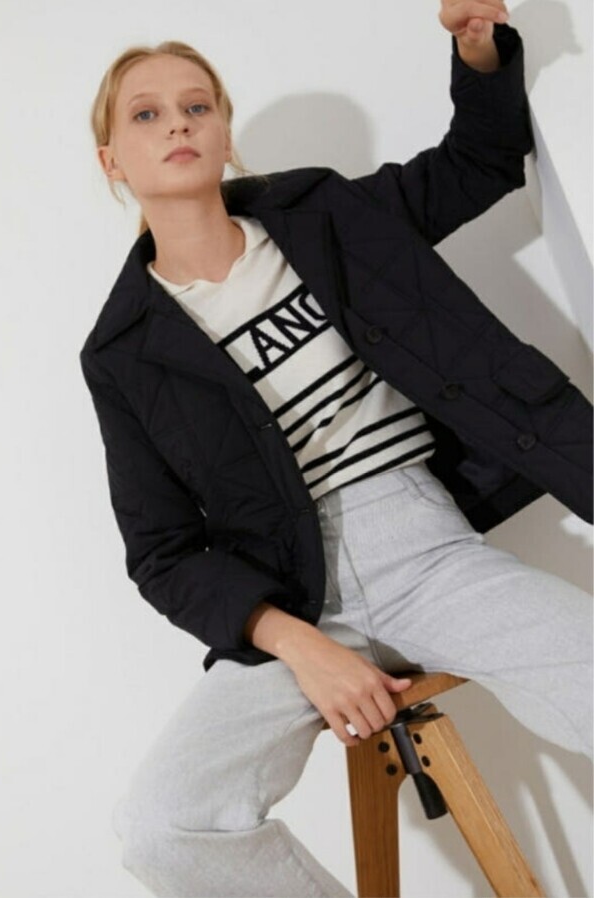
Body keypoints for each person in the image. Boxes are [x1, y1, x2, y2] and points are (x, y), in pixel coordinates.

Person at [80, 2, 593, 895]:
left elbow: (477, 163)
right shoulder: (122, 351)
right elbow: (162, 551)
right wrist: (298, 645)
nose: (178, 126)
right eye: (147, 114)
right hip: (287, 607)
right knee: (164, 826)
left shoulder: (326, 214)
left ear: (226, 132)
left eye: (198, 107)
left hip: (428, 554)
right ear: (111, 160)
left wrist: (475, 47)